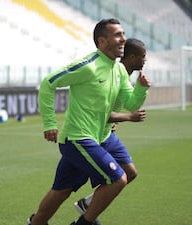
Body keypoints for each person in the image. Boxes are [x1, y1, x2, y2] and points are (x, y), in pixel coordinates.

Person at [28, 19, 150, 225]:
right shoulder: (89, 66)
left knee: (61, 191)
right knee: (118, 179)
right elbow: (48, 83)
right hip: (77, 139)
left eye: (123, 34)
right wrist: (49, 123)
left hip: (96, 138)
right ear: (102, 42)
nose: (123, 39)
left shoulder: (118, 70)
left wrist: (141, 89)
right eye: (117, 35)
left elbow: (131, 103)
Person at [73, 38, 148, 224]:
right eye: (143, 56)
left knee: (129, 173)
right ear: (131, 57)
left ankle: (87, 205)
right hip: (91, 136)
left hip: (106, 134)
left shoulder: (125, 75)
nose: (145, 60)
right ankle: (38, 219)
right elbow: (102, 112)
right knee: (67, 186)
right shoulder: (112, 74)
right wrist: (125, 117)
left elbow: (115, 109)